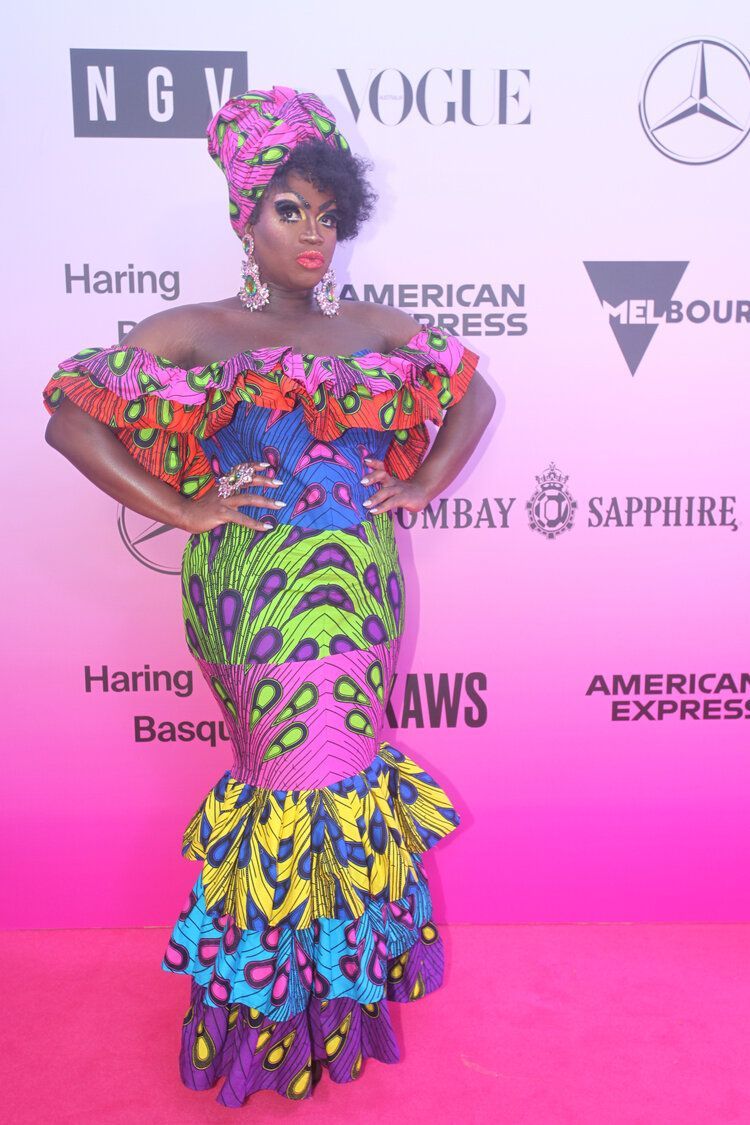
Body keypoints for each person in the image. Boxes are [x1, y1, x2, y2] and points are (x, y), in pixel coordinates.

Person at [43, 86, 496, 1107]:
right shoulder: (199, 330)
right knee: (289, 787)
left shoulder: (376, 327)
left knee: (349, 781)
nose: (313, 234)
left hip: (365, 598)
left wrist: (421, 483)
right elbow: (74, 417)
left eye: (327, 214)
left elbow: (472, 391)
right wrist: (186, 507)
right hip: (258, 600)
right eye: (289, 209)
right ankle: (267, 1027)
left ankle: (335, 1011)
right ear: (243, 217)